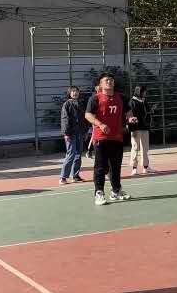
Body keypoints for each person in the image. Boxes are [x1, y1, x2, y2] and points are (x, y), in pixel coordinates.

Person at [86, 75, 130, 205]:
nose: (109, 81)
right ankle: (99, 193)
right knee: (100, 167)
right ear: (101, 84)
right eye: (106, 80)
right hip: (101, 138)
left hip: (117, 137)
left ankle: (116, 191)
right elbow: (88, 115)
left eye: (111, 80)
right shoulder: (95, 98)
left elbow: (128, 111)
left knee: (116, 167)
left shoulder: (120, 97)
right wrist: (100, 124)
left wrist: (130, 118)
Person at [59, 86, 86, 184]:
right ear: (69, 93)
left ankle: (75, 176)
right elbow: (64, 119)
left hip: (80, 132)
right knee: (71, 154)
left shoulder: (81, 104)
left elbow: (84, 119)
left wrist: (85, 131)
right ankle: (63, 177)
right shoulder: (67, 104)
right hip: (70, 133)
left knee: (78, 154)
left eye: (76, 91)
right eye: (73, 91)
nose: (75, 93)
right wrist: (66, 133)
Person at [127, 86, 153, 175]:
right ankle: (134, 168)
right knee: (135, 148)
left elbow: (148, 112)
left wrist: (151, 110)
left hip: (144, 128)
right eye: (144, 92)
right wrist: (132, 129)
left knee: (145, 148)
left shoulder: (144, 101)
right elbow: (129, 116)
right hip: (136, 128)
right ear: (139, 92)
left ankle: (146, 167)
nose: (145, 93)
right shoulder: (132, 102)